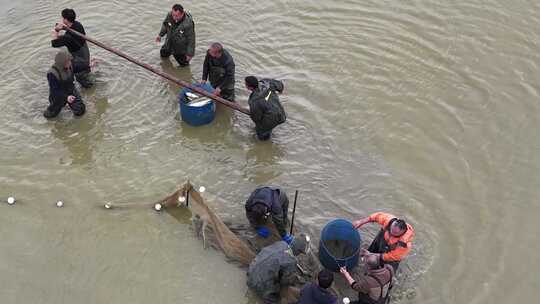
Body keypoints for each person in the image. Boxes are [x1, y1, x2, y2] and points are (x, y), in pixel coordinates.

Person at [247, 234, 311, 304]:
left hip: (251, 271)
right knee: (276, 299)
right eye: (301, 252)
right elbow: (285, 282)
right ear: (299, 251)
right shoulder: (291, 262)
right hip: (258, 285)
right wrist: (293, 279)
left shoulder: (281, 243)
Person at [51, 8, 93, 88]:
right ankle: (88, 71)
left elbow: (54, 43)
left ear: (66, 20)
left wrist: (56, 31)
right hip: (85, 53)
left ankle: (89, 89)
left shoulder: (68, 37)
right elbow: (68, 35)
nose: (62, 19)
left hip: (78, 58)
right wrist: (63, 27)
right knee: (86, 70)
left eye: (63, 18)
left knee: (81, 79)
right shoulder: (78, 24)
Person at [44, 51, 92, 118]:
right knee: (49, 115)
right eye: (68, 62)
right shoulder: (52, 74)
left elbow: (77, 67)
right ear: (62, 63)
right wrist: (66, 97)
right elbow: (55, 90)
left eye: (70, 61)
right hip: (58, 95)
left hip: (71, 90)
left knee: (80, 110)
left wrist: (89, 65)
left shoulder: (69, 64)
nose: (70, 63)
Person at [245, 76, 286, 141]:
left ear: (249, 87)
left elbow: (256, 118)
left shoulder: (254, 101)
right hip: (281, 112)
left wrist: (260, 128)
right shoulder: (266, 83)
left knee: (262, 134)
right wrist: (280, 91)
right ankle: (269, 132)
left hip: (271, 118)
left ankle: (265, 144)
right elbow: (280, 85)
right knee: (267, 126)